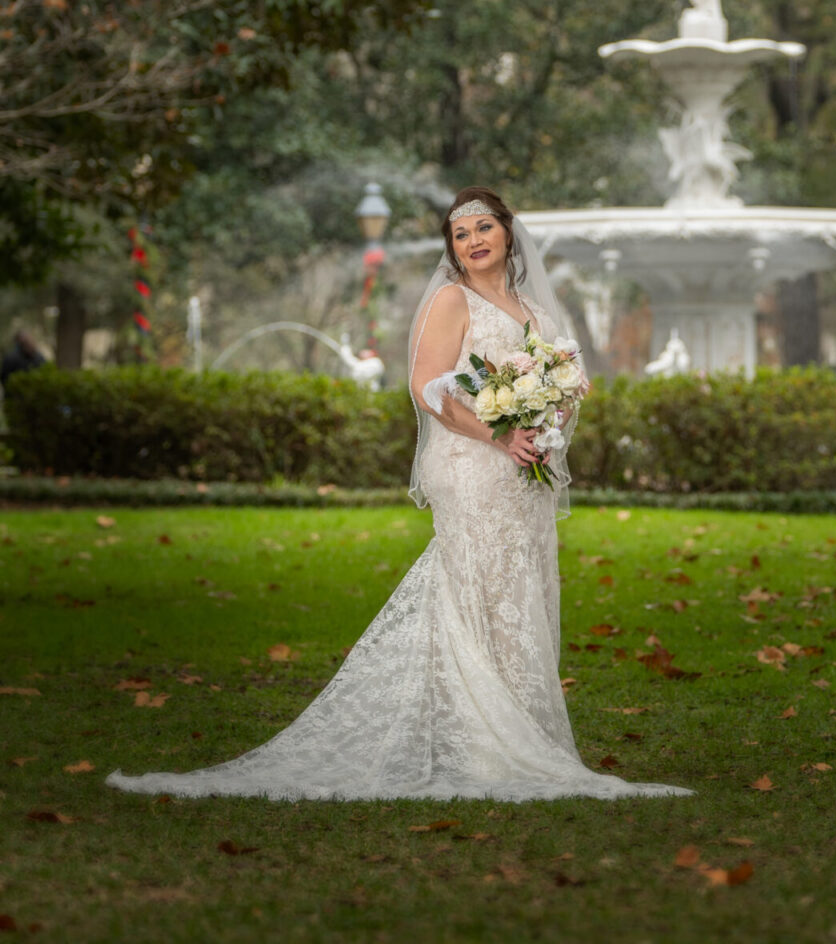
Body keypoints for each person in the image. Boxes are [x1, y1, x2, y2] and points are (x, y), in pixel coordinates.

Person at [107, 186, 691, 803]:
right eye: (461, 234)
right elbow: (426, 388)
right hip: (470, 462)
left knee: (519, 589)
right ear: (452, 247)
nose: (473, 241)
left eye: (484, 228)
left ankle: (520, 730)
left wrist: (547, 422)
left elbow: (567, 382)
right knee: (478, 587)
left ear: (508, 233)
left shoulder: (534, 310)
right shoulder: (450, 299)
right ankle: (481, 742)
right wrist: (499, 434)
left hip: (523, 468)